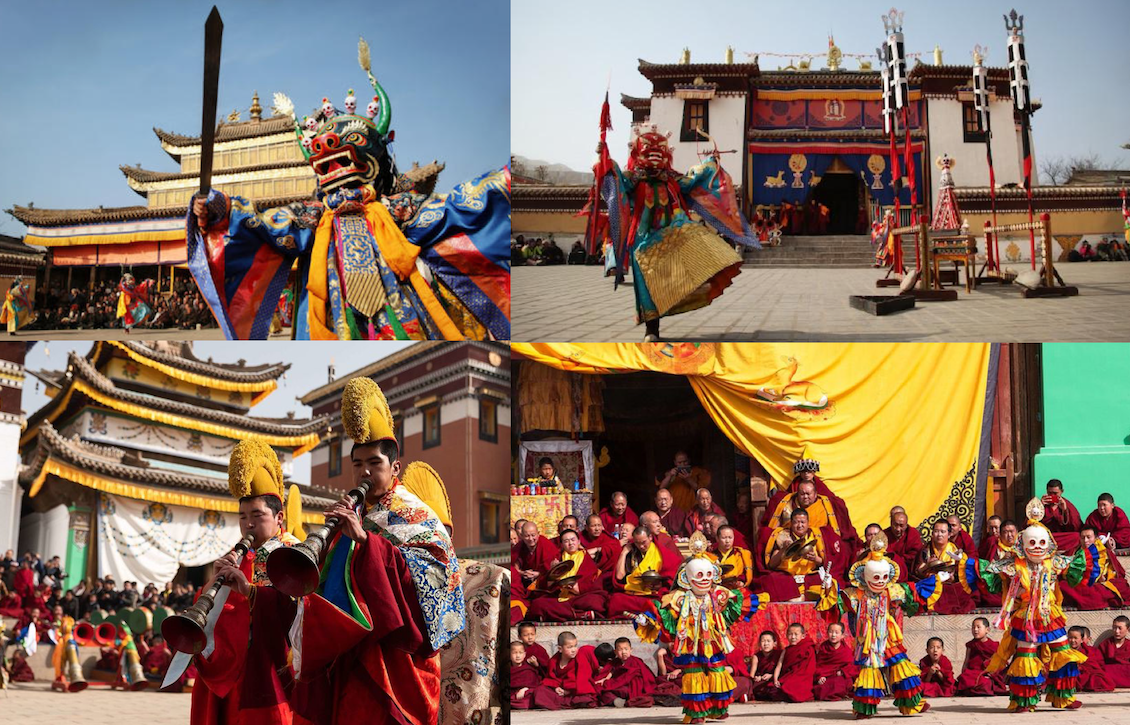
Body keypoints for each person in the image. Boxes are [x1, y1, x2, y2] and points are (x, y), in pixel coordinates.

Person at [189, 44, 509, 340]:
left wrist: (509, 181)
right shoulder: (311, 216)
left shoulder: (398, 208)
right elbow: (260, 222)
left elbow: (460, 207)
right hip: (331, 319)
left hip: (402, 319)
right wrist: (217, 208)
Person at [290, 377, 464, 725]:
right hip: (352, 647)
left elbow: (435, 578)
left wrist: (368, 543)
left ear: (394, 467)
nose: (365, 472)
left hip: (397, 656)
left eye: (375, 463)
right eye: (357, 464)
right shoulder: (357, 513)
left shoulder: (414, 514)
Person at [590, 123, 755, 342]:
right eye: (649, 151)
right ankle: (652, 329)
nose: (655, 157)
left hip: (673, 232)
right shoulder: (633, 178)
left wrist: (709, 164)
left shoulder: (672, 179)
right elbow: (616, 182)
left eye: (659, 151)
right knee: (648, 284)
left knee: (696, 244)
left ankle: (700, 284)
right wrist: (604, 160)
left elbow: (693, 180)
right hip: (644, 239)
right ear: (638, 152)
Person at [189, 440, 304, 725]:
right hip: (237, 663)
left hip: (275, 664)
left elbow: (301, 610)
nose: (248, 524)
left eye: (257, 516)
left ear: (279, 518)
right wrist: (212, 587)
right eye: (242, 517)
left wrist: (250, 592)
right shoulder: (243, 556)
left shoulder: (295, 553)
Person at [982, 498, 1100, 712]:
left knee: (1064, 653)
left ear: (1050, 544)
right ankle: (1023, 701)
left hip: (1050, 614)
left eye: (1042, 543)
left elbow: (1077, 571)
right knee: (1025, 658)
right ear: (1022, 545)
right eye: (1032, 543)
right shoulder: (1013, 566)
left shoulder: (1055, 562)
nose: (1037, 548)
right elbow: (991, 576)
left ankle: (1062, 698)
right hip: (1025, 616)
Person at [634, 534, 765, 723]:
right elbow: (665, 615)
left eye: (708, 575)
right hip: (690, 642)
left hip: (713, 640)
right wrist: (648, 620)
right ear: (686, 578)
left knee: (718, 672)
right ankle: (697, 713)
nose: (704, 580)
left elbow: (736, 604)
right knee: (694, 675)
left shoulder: (719, 593)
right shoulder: (678, 597)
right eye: (699, 575)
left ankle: (718, 708)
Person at [527, 529, 607, 622]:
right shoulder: (556, 559)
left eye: (573, 540)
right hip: (559, 597)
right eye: (566, 541)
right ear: (562, 544)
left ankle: (559, 614)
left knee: (595, 601)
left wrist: (577, 588)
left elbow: (592, 582)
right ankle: (578, 615)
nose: (570, 543)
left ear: (579, 541)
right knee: (538, 604)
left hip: (579, 597)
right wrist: (552, 572)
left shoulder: (586, 558)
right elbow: (545, 584)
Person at [608, 526, 681, 618]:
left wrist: (658, 585)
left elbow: (672, 576)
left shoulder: (660, 553)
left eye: (644, 542)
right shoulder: (632, 552)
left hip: (653, 594)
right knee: (616, 600)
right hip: (634, 592)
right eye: (637, 543)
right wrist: (624, 553)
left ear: (650, 537)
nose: (641, 546)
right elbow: (619, 576)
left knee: (662, 602)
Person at [761, 509, 827, 602]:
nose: (800, 526)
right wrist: (783, 550)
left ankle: (804, 597)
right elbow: (772, 564)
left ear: (808, 523)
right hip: (786, 577)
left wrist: (815, 558)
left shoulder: (815, 536)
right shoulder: (782, 536)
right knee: (771, 579)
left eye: (803, 522)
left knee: (826, 583)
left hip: (809, 575)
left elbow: (823, 563)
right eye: (796, 522)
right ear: (791, 524)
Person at [912, 520, 977, 614]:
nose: (939, 535)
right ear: (932, 533)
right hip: (932, 584)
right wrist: (928, 565)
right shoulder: (926, 550)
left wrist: (953, 577)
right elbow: (917, 572)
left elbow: (964, 574)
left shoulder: (955, 550)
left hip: (951, 583)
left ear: (949, 534)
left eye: (943, 532)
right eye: (936, 531)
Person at [531, 631, 597, 709]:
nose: (574, 650)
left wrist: (568, 691)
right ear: (560, 649)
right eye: (569, 647)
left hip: (574, 692)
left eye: (575, 646)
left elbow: (583, 680)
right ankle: (564, 703)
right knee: (539, 691)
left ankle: (560, 703)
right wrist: (555, 687)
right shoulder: (553, 661)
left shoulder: (580, 659)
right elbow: (550, 678)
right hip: (559, 692)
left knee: (585, 698)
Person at [955, 618, 1007, 696]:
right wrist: (963, 672)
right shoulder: (971, 644)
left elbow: (1000, 662)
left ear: (987, 630)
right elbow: (967, 660)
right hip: (973, 672)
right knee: (965, 677)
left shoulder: (994, 645)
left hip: (987, 672)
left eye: (978, 627)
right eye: (973, 627)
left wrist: (992, 673)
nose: (975, 630)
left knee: (985, 682)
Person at [598, 637, 655, 708]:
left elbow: (644, 678)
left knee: (619, 690)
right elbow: (611, 672)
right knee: (603, 692)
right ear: (615, 652)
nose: (624, 652)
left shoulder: (636, 662)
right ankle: (616, 701)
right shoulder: (614, 662)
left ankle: (618, 700)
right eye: (620, 650)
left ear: (631, 650)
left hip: (630, 688)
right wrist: (605, 679)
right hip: (618, 686)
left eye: (626, 649)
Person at [768, 623, 816, 703]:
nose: (793, 637)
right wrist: (776, 679)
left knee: (790, 686)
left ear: (803, 636)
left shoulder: (808, 648)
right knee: (774, 688)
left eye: (796, 634)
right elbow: (779, 665)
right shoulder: (786, 650)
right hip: (789, 676)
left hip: (802, 677)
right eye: (790, 634)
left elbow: (810, 669)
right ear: (786, 635)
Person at [813, 622, 857, 701]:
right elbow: (818, 665)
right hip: (827, 676)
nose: (833, 635)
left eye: (836, 633)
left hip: (840, 676)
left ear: (842, 635)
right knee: (820, 688)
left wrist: (843, 671)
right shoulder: (823, 648)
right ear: (827, 633)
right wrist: (820, 676)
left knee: (841, 684)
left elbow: (852, 666)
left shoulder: (846, 650)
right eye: (831, 632)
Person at [513, 521, 559, 595]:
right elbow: (513, 566)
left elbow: (553, 571)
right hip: (525, 582)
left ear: (538, 533)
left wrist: (538, 574)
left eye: (533, 535)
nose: (531, 539)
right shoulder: (519, 546)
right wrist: (522, 573)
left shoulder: (546, 545)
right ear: (521, 536)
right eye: (527, 536)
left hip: (544, 584)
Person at [1041, 479, 1083, 553]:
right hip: (1045, 538)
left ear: (1061, 492)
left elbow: (1076, 526)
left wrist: (1065, 510)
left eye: (1055, 493)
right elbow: (1030, 524)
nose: (1052, 496)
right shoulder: (1041, 504)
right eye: (1050, 493)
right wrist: (1040, 507)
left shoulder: (1067, 505)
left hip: (1062, 538)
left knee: (1076, 536)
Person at [578, 514, 620, 588]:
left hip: (605, 573)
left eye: (599, 525)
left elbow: (616, 548)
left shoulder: (607, 538)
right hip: (586, 574)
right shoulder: (580, 538)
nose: (597, 529)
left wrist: (598, 549)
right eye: (593, 526)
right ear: (586, 527)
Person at [708, 525, 754, 590]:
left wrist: (741, 581)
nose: (727, 541)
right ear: (717, 538)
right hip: (718, 588)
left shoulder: (739, 554)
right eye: (724, 538)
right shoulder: (711, 556)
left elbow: (744, 573)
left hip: (737, 587)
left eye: (730, 537)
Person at [1070, 626, 1114, 693]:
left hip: (1085, 675)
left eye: (1075, 638)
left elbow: (1096, 667)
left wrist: (1081, 668)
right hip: (1070, 674)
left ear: (1082, 640)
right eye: (1070, 638)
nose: (1073, 640)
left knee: (1098, 679)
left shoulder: (1089, 651)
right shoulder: (1065, 651)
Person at [884, 509, 923, 583]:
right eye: (895, 525)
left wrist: (896, 560)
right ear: (891, 523)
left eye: (901, 526)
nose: (898, 529)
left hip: (909, 572)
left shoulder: (913, 534)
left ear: (906, 525)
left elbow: (915, 555)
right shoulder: (884, 535)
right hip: (887, 572)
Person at [1097, 615, 1130, 687]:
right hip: (1109, 672)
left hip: (1125, 672)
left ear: (1128, 629)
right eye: (1114, 628)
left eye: (1120, 628)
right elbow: (1098, 661)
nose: (1116, 631)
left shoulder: (1129, 645)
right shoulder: (1106, 644)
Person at [750, 630, 782, 700]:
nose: (766, 644)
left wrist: (772, 676)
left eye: (768, 641)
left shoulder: (779, 654)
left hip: (774, 679)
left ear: (774, 643)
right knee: (755, 687)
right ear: (759, 644)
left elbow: (783, 671)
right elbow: (751, 675)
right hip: (760, 681)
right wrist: (756, 678)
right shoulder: (756, 656)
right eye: (763, 641)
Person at [509, 641, 540, 710]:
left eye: (520, 653)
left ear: (524, 654)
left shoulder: (528, 669)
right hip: (513, 696)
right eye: (514, 653)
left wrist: (525, 689)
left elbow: (536, 686)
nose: (518, 656)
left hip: (526, 695)